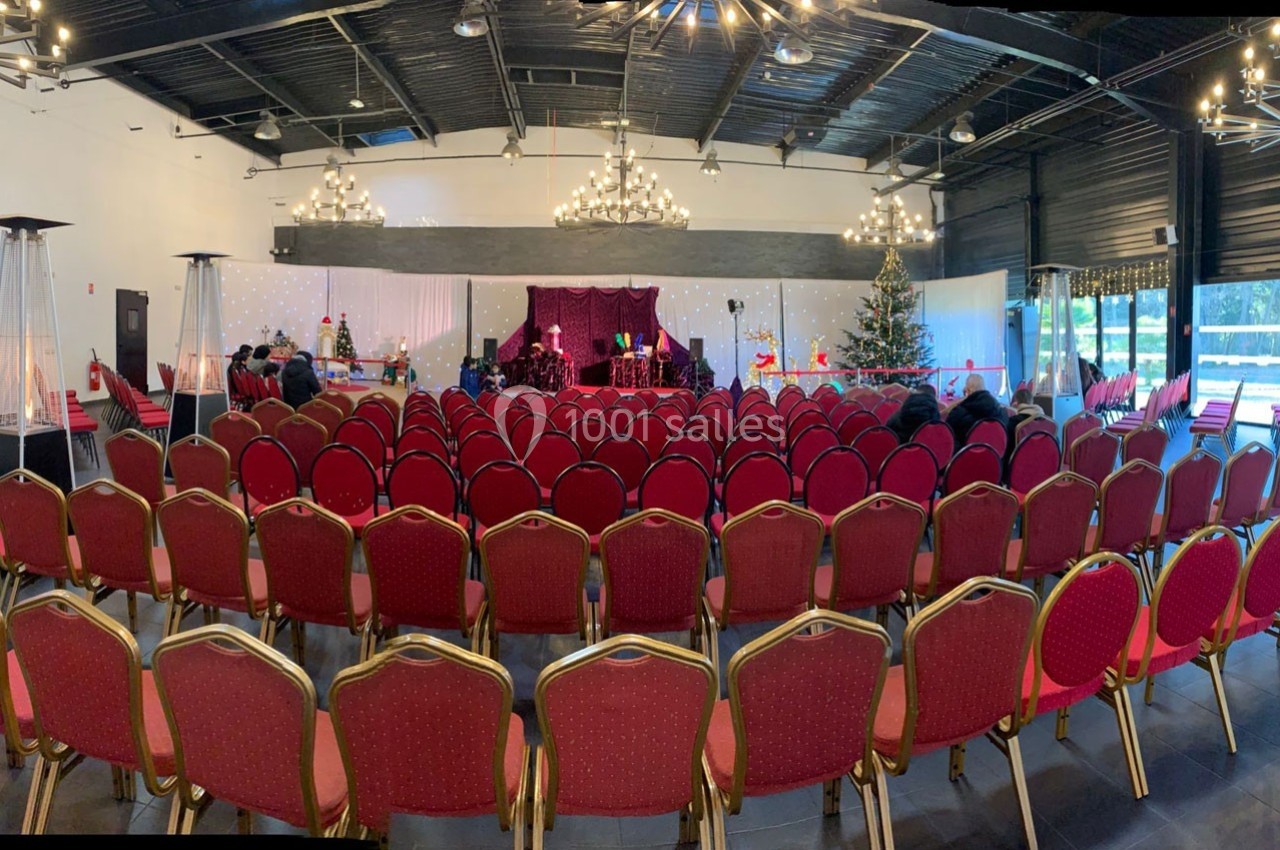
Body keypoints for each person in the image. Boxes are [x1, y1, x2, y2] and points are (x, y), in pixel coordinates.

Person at [944, 373, 1008, 443]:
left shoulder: (958, 412)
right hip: (996, 452)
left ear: (967, 390)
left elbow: (946, 435)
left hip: (965, 452)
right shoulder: (1002, 412)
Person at [1006, 387, 1046, 453]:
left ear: (1016, 403)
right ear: (1032, 401)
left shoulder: (1013, 423)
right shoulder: (1048, 423)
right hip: (1045, 459)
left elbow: (1009, 448)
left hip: (1021, 460)